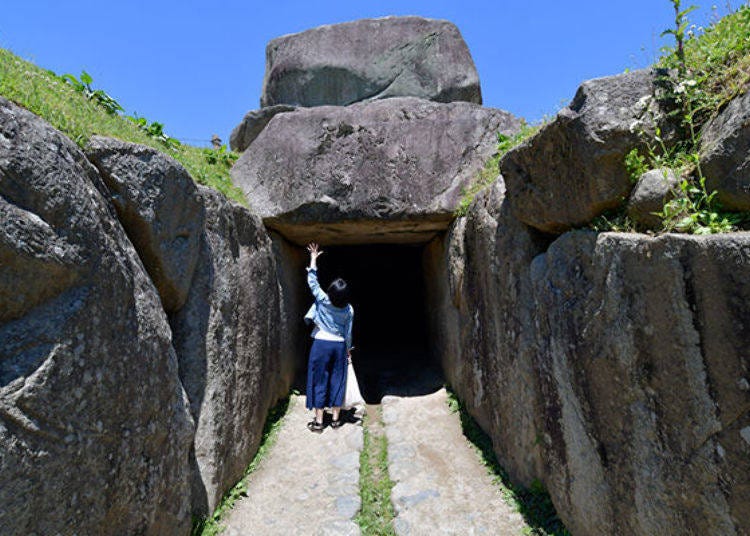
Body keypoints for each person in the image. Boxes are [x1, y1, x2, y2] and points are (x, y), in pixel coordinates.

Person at [303, 242, 354, 433]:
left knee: (318, 379)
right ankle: (335, 419)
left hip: (321, 344)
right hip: (339, 345)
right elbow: (348, 332)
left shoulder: (323, 301)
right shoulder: (349, 309)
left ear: (331, 292)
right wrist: (348, 350)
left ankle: (318, 422)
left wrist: (313, 258)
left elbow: (312, 281)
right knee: (337, 379)